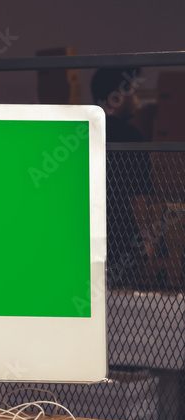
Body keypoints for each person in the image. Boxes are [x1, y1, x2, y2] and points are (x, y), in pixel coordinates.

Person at [91, 66, 154, 286]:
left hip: (86, 234)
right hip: (121, 238)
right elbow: (138, 195)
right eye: (133, 91)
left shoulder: (81, 132)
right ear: (120, 93)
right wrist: (145, 239)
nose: (136, 99)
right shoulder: (129, 136)